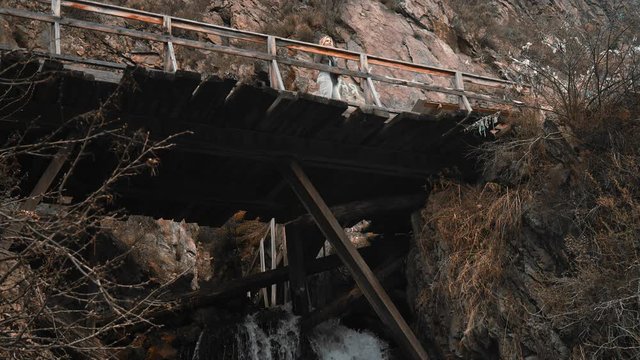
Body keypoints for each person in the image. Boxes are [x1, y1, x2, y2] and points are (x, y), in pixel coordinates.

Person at [314, 35, 341, 100]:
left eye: (330, 41)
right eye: (326, 41)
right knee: (326, 98)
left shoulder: (332, 55)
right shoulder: (321, 51)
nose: (329, 42)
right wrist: (321, 50)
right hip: (325, 76)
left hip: (333, 79)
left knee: (337, 100)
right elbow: (316, 62)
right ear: (323, 42)